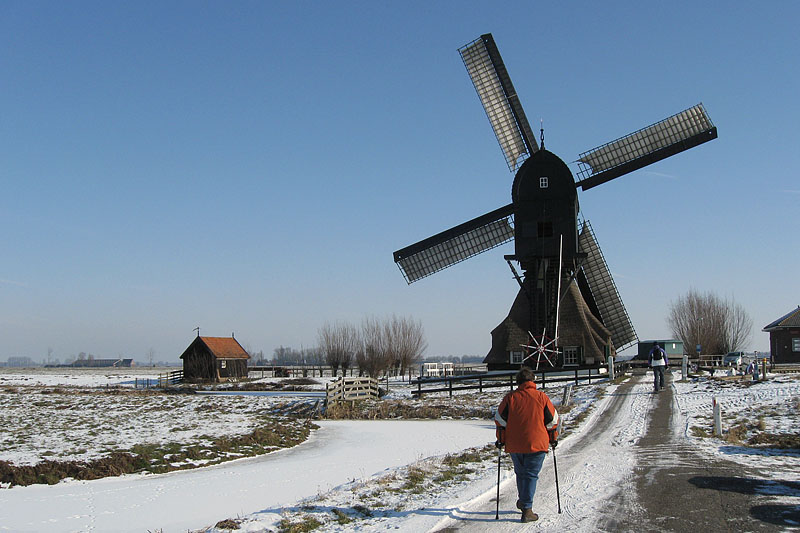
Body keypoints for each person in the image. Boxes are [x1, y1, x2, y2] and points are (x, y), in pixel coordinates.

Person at [494, 366, 559, 523]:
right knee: (530, 475)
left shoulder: (510, 398)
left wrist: (501, 439)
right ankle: (527, 510)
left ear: (518, 382)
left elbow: (500, 420)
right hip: (537, 442)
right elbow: (553, 421)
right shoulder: (542, 397)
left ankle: (523, 501)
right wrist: (553, 438)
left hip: (515, 443)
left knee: (521, 473)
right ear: (532, 381)